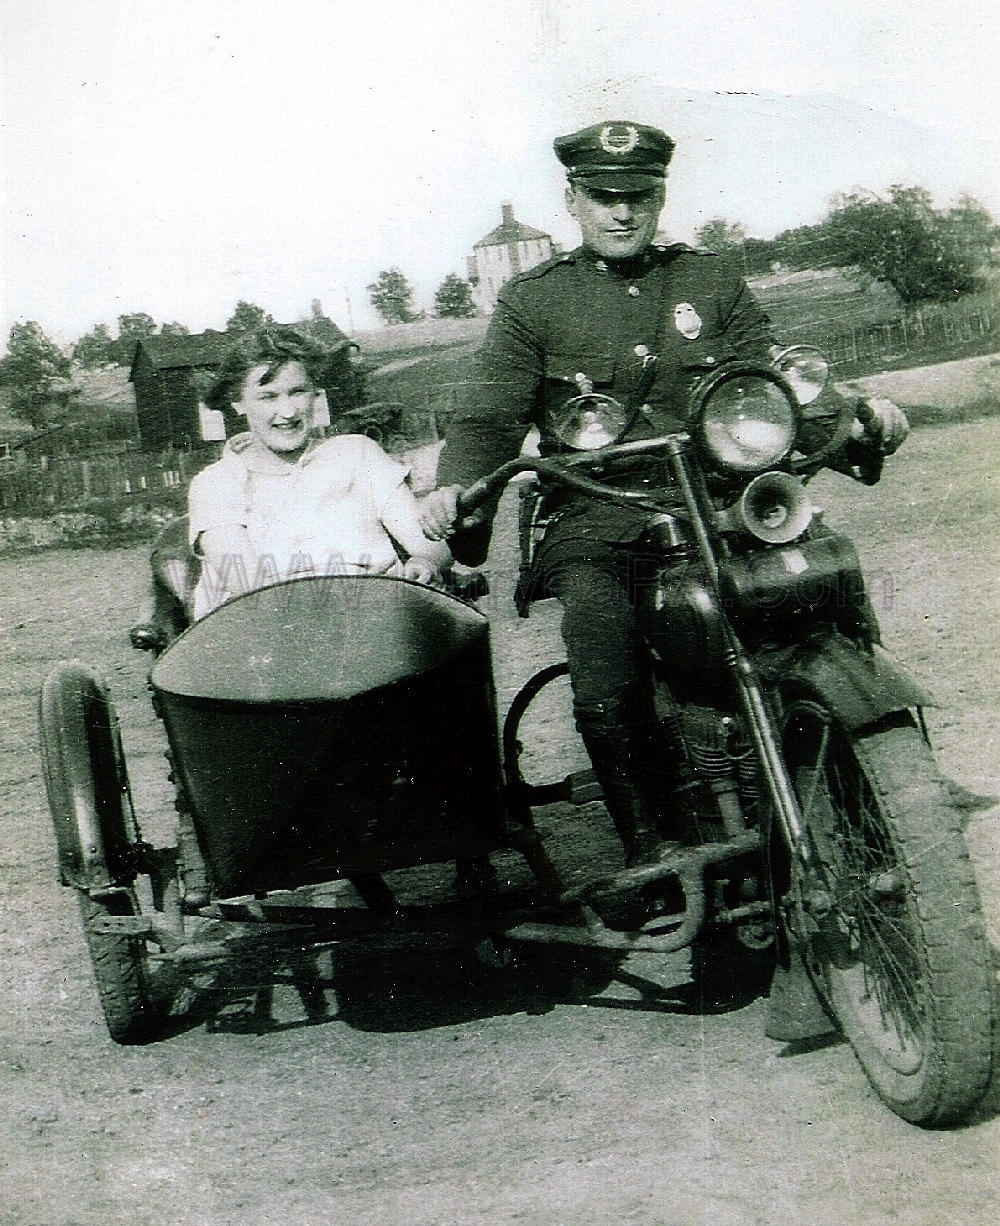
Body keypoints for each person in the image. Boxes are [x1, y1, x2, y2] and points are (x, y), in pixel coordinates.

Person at [419, 120, 909, 868]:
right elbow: (489, 414)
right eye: (603, 197)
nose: (621, 212)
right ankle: (651, 846)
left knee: (820, 580)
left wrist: (857, 420)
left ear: (660, 196)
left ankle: (869, 771)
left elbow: (771, 382)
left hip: (722, 494)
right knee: (598, 629)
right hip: (597, 508)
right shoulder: (536, 302)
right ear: (573, 200)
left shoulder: (709, 280)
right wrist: (457, 487)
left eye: (637, 196)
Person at [187, 327, 450, 619]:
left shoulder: (357, 454)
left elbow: (429, 542)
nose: (287, 411)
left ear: (315, 393)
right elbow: (253, 590)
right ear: (237, 402)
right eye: (268, 397)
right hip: (272, 632)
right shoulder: (215, 484)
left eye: (297, 392)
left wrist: (425, 563)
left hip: (378, 620)